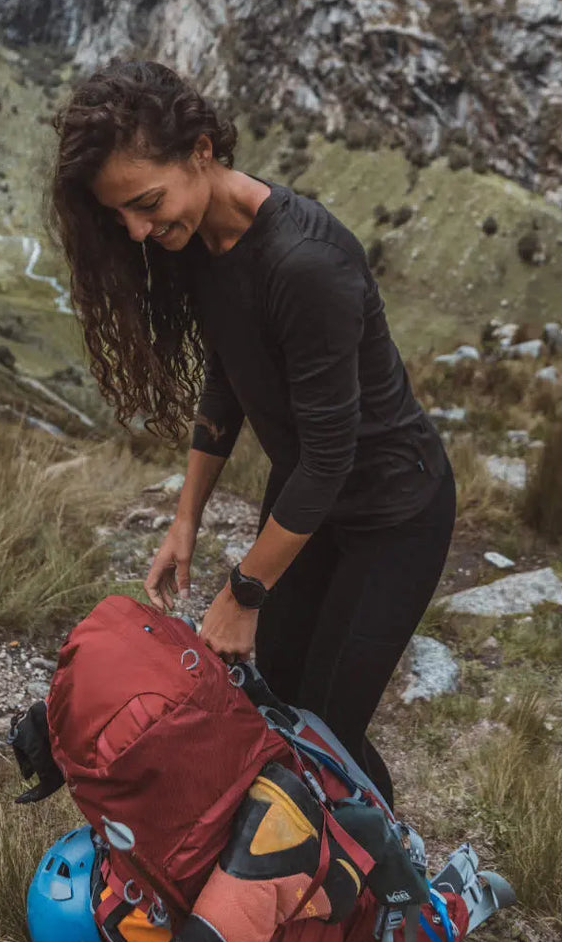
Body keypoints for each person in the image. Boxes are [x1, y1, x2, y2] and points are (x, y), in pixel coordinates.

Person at [50, 60, 455, 810]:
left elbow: (333, 456)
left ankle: (390, 889)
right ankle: (337, 865)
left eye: (145, 203)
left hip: (393, 512)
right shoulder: (201, 243)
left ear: (201, 152)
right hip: (307, 507)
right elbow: (227, 377)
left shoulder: (306, 264)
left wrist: (245, 589)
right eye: (121, 219)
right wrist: (186, 518)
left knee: (330, 729)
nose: (138, 230)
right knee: (289, 703)